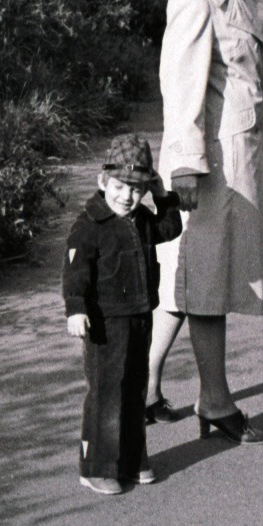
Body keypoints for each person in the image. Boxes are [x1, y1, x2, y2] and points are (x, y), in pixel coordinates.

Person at [146, 0, 263, 445]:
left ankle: (144, 390)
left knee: (186, 278)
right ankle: (217, 405)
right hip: (208, 164)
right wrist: (185, 167)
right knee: (208, 282)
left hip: (230, 153)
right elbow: (180, 89)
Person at [63, 134, 183, 494]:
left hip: (139, 317)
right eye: (119, 186)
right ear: (103, 181)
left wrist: (162, 196)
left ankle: (131, 461)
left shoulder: (143, 217)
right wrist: (75, 310)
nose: (126, 197)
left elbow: (171, 227)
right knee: (106, 393)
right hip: (104, 325)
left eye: (136, 190)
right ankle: (96, 466)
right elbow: (75, 272)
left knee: (134, 389)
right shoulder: (89, 226)